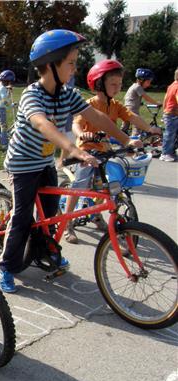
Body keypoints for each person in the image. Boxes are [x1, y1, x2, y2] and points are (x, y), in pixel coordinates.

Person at [0, 29, 142, 294]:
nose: (75, 68)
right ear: (51, 65)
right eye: (71, 63)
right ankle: (6, 267)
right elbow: (42, 125)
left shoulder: (67, 93)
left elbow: (98, 118)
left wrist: (126, 140)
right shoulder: (32, 95)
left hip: (43, 163)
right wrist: (72, 149)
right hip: (22, 165)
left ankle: (44, 252)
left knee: (50, 213)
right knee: (22, 217)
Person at [63, 59, 160, 244]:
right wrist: (83, 134)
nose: (117, 88)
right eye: (113, 84)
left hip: (105, 152)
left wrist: (150, 129)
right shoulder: (89, 104)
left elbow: (132, 117)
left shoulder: (115, 105)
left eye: (120, 84)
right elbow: (76, 123)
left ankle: (96, 215)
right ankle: (68, 223)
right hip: (86, 152)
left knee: (106, 187)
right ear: (99, 85)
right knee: (79, 187)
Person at [121, 68, 161, 135]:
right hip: (132, 110)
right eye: (148, 82)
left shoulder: (132, 86)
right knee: (138, 125)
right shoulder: (138, 87)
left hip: (126, 109)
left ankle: (121, 139)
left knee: (125, 127)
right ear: (141, 80)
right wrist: (157, 103)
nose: (149, 84)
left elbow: (127, 97)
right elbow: (146, 98)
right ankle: (135, 141)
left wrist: (139, 103)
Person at [0, 70, 15, 149]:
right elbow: (4, 101)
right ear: (6, 81)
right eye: (9, 82)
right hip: (1, 109)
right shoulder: (2, 89)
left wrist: (8, 89)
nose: (9, 83)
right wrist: (11, 105)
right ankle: (4, 144)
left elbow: (4, 91)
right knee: (4, 126)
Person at [160, 67, 178, 162]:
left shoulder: (171, 85)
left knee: (172, 134)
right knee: (170, 134)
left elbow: (165, 98)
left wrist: (164, 110)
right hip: (173, 113)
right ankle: (165, 153)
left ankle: (171, 152)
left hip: (169, 112)